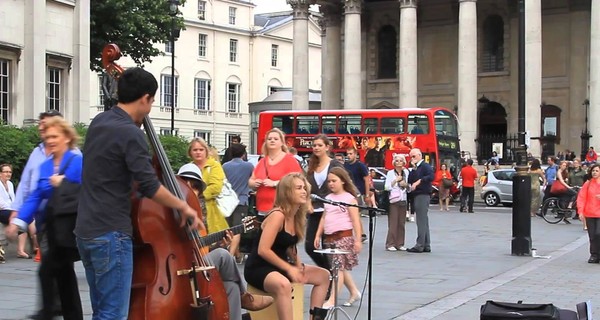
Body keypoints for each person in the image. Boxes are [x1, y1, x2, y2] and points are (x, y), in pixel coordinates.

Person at [74, 68, 201, 319]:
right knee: (113, 315)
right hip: (111, 232)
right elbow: (149, 186)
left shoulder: (99, 122)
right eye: (152, 101)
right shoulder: (131, 133)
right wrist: (184, 206)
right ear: (145, 98)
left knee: (101, 310)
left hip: (86, 231)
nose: (150, 108)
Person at [6, 117, 84, 320]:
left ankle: (47, 313)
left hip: (72, 225)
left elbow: (87, 189)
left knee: (50, 271)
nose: (50, 140)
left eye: (54, 136)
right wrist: (18, 222)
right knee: (63, 274)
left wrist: (63, 182)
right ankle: (66, 314)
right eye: (47, 137)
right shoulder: (45, 166)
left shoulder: (77, 161)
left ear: (67, 138)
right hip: (52, 225)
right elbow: (35, 195)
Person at [176, 165, 274, 319]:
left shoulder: (199, 213)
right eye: (185, 183)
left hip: (196, 262)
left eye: (195, 186)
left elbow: (200, 246)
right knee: (223, 255)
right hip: (177, 265)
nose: (190, 188)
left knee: (230, 286)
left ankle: (240, 296)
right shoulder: (170, 209)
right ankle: (245, 297)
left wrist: (220, 243)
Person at [244, 173, 330, 320]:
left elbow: (290, 246)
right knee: (283, 284)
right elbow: (263, 250)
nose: (304, 191)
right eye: (298, 188)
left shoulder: (296, 216)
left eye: (304, 188)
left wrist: (297, 266)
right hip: (260, 267)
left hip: (281, 266)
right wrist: (289, 268)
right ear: (287, 192)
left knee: (324, 276)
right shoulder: (278, 215)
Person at [314, 167, 363, 308]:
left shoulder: (349, 198)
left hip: (344, 236)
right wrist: (318, 234)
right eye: (329, 181)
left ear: (342, 181)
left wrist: (358, 240)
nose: (331, 184)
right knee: (338, 267)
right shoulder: (328, 198)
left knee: (338, 269)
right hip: (329, 237)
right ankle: (354, 291)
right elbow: (324, 217)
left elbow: (355, 220)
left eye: (334, 181)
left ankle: (332, 299)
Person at [306, 134, 344, 269]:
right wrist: (308, 203)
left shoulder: (334, 164)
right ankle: (327, 271)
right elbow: (307, 187)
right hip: (314, 210)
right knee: (310, 247)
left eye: (320, 145)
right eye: (314, 145)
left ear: (327, 147)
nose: (316, 148)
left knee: (328, 248)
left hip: (330, 211)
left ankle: (331, 277)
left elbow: (342, 184)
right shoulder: (311, 164)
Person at [249, 128, 302, 218]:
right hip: (262, 208)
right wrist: (254, 183)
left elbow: (298, 182)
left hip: (282, 208)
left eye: (276, 139)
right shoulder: (262, 161)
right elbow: (251, 180)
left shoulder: (290, 160)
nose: (272, 141)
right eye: (269, 139)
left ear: (282, 142)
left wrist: (275, 183)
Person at [188, 137, 230, 234]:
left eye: (201, 150)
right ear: (190, 152)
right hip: (192, 210)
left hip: (211, 211)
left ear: (206, 151)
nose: (198, 152)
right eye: (195, 150)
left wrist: (196, 194)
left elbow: (216, 188)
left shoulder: (214, 165)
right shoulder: (188, 167)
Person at [223, 143, 254, 260]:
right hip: (241, 201)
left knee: (228, 229)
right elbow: (253, 180)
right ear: (243, 153)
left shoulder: (225, 166)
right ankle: (230, 256)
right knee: (237, 230)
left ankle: (237, 254)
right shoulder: (249, 166)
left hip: (227, 201)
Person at [406, 148, 434, 253]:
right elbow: (410, 181)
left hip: (423, 194)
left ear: (419, 155)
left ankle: (420, 244)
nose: (412, 159)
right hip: (417, 194)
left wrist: (419, 181)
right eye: (411, 157)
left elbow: (431, 176)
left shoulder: (425, 166)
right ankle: (426, 244)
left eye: (413, 156)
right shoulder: (416, 168)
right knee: (424, 220)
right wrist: (413, 170)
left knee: (421, 220)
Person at [383, 155, 409, 251]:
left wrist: (405, 185)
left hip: (403, 199)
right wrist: (395, 181)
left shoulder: (406, 172)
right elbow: (386, 187)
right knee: (393, 222)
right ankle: (390, 243)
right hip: (393, 200)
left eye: (401, 160)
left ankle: (400, 243)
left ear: (404, 162)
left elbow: (409, 187)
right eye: (397, 160)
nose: (399, 162)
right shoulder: (390, 173)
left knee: (401, 223)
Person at [343, 147, 369, 240]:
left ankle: (361, 234)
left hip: (358, 193)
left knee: (355, 214)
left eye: (350, 154)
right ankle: (359, 233)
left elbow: (367, 180)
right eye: (348, 154)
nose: (349, 156)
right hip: (348, 192)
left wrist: (367, 194)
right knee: (352, 214)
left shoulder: (360, 165)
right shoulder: (345, 165)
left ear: (356, 155)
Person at [576, 164, 600, 264]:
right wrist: (580, 211)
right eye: (593, 171)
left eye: (597, 171)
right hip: (589, 213)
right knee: (592, 235)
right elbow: (581, 197)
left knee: (599, 233)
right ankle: (594, 255)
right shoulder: (588, 183)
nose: (594, 172)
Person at [0, 163, 16, 263]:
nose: (8, 174)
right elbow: (1, 203)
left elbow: (14, 200)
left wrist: (15, 209)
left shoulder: (10, 184)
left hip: (9, 210)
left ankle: (22, 250)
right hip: (2, 210)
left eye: (10, 172)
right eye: (5, 172)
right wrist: (13, 210)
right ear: (0, 173)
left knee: (29, 217)